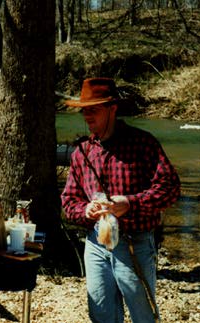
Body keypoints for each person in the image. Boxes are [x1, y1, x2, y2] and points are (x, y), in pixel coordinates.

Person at [61, 77, 180, 323]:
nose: (87, 116)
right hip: (95, 244)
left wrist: (131, 203)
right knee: (101, 314)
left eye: (93, 110)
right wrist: (86, 211)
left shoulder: (142, 143)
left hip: (135, 243)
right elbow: (69, 201)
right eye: (84, 111)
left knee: (143, 315)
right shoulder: (82, 152)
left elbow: (170, 188)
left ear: (112, 109)